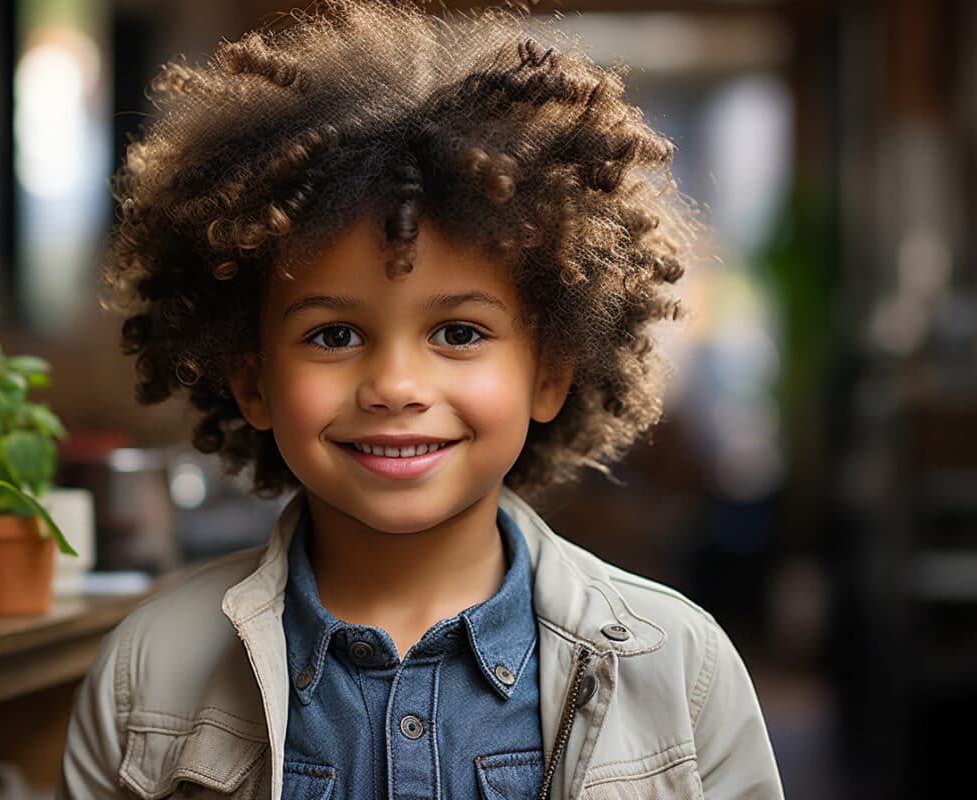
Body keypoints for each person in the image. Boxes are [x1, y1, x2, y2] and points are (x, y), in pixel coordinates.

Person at [58, 1, 785, 798]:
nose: (397, 387)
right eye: (334, 335)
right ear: (252, 378)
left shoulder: (680, 666)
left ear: (550, 372)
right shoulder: (147, 675)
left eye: (461, 333)